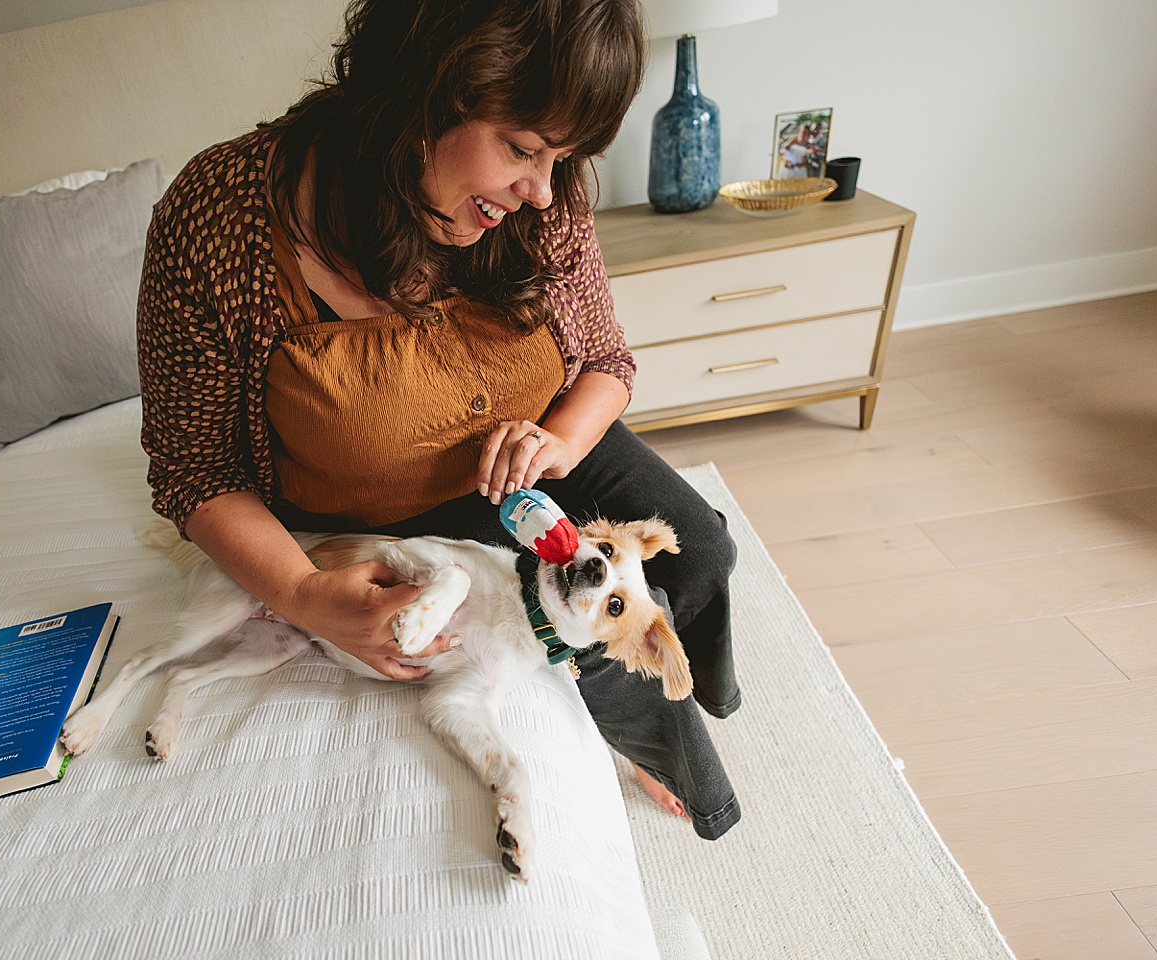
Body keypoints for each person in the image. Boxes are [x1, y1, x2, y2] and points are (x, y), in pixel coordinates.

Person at [136, 0, 741, 840]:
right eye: (522, 149)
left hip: (538, 450)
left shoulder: (545, 193)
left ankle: (702, 692)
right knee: (583, 619)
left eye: (563, 159)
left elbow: (607, 360)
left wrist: (560, 440)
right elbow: (195, 473)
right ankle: (664, 753)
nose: (543, 192)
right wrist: (303, 594)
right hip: (378, 499)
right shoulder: (220, 218)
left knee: (703, 550)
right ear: (423, 93)